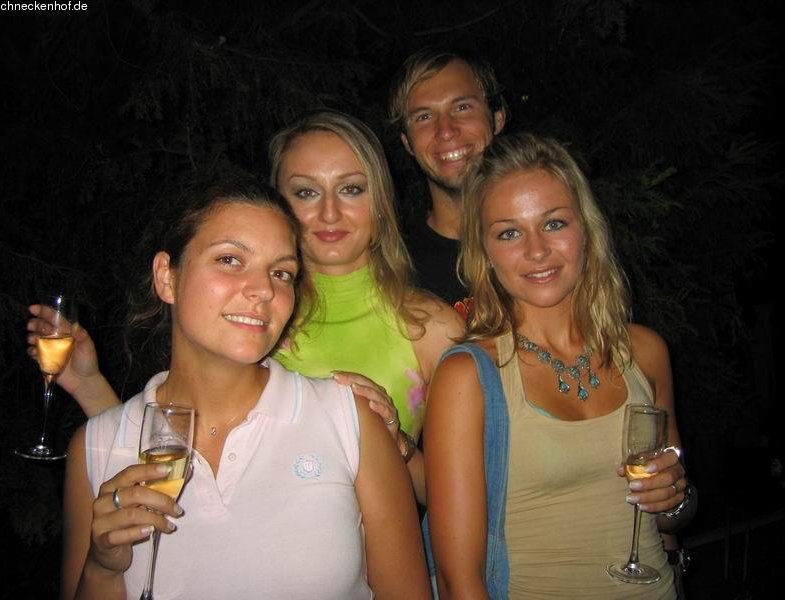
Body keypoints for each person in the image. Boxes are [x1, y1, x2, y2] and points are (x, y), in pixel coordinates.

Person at [59, 175, 431, 599]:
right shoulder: (97, 445)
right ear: (166, 277)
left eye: (281, 272)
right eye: (230, 260)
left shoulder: (349, 419)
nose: (263, 290)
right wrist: (102, 569)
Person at [423, 133, 695, 599]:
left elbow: (673, 519)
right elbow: (458, 580)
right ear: (484, 252)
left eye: (553, 223)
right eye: (509, 233)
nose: (536, 251)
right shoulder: (468, 377)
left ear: (586, 229)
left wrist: (675, 496)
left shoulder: (645, 352)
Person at [269, 110, 464, 503]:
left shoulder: (431, 327)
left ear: (380, 201)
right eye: (306, 192)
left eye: (351, 189)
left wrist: (395, 441)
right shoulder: (254, 318)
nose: (329, 213)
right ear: (277, 206)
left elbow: (460, 499)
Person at [388, 47, 507, 305]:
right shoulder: (396, 272)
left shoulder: (553, 247)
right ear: (407, 143)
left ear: (497, 119)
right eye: (424, 116)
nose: (445, 131)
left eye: (462, 107)